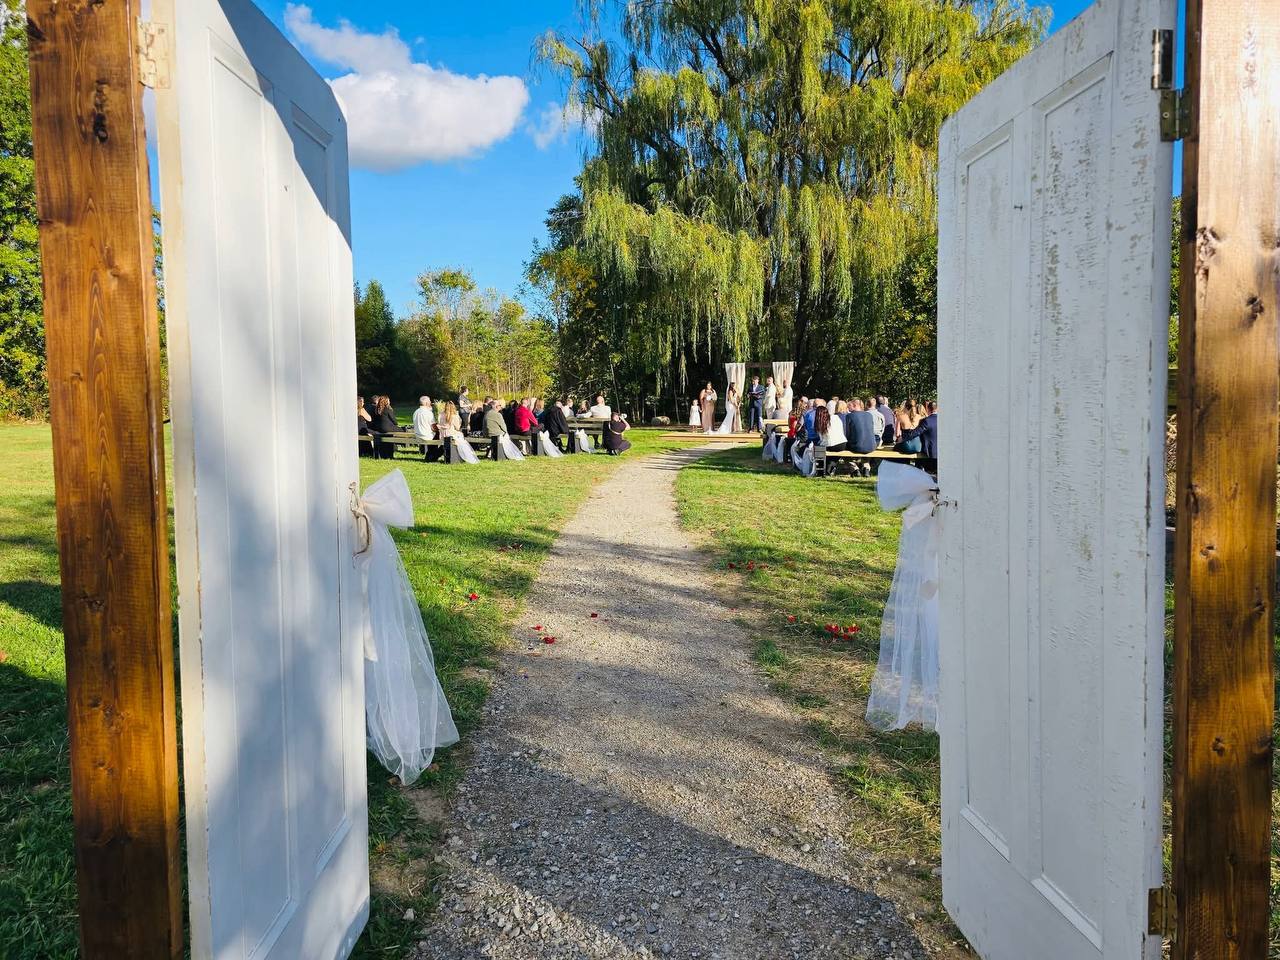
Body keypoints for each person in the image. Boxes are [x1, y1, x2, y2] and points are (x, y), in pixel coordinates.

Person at [899, 401, 938, 466]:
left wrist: (903, 438)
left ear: (928, 409)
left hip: (930, 453)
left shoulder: (926, 421)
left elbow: (915, 433)